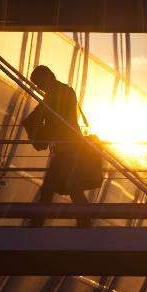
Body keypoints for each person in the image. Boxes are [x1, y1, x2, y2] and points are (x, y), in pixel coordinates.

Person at [22, 65, 92, 227]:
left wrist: (31, 125)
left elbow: (43, 112)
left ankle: (37, 224)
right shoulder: (65, 91)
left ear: (46, 77)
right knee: (70, 187)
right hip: (69, 147)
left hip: (66, 149)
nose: (39, 88)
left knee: (54, 188)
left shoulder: (56, 92)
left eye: (39, 83)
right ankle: (84, 222)